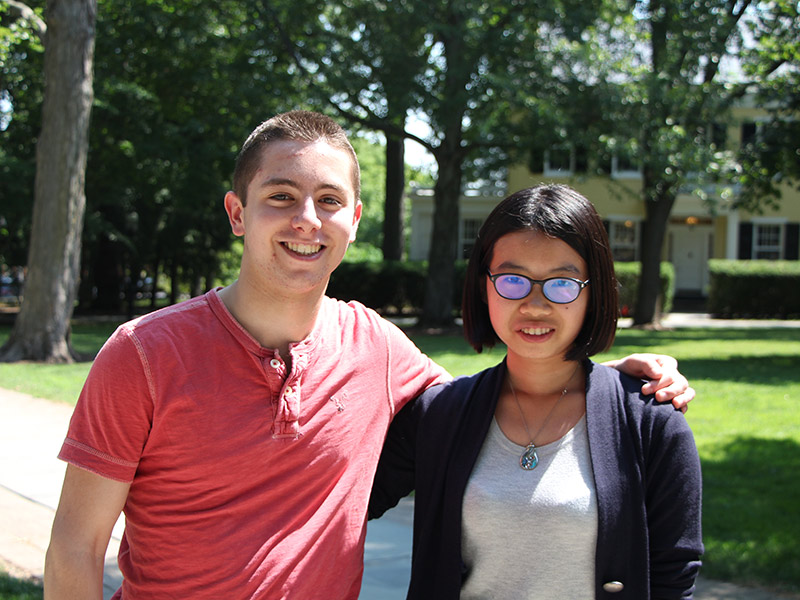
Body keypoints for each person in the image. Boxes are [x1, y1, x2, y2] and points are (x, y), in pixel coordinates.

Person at [44, 113, 694, 599]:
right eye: (280, 196)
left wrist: (602, 383)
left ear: (353, 218)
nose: (307, 218)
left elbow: (502, 392)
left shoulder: (375, 347)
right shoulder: (144, 354)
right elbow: (76, 548)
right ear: (238, 213)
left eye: (328, 200)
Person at [369, 184, 703, 599]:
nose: (535, 304)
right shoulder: (438, 416)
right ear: (483, 286)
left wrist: (618, 392)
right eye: (512, 280)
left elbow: (674, 578)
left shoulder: (652, 421)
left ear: (593, 291)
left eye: (561, 284)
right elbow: (336, 504)